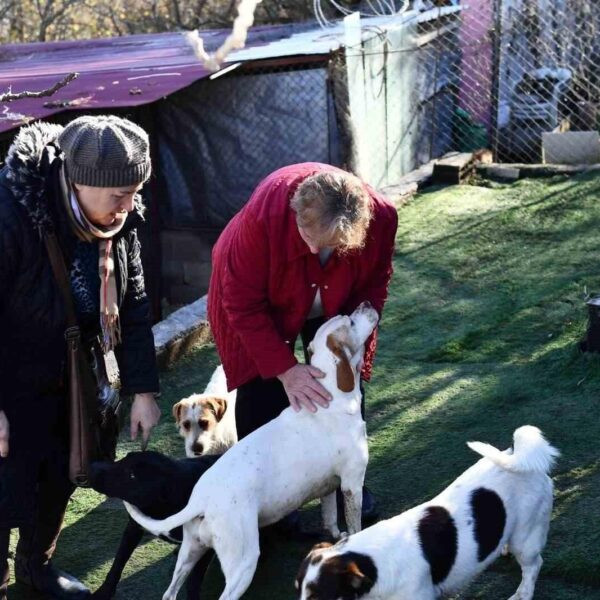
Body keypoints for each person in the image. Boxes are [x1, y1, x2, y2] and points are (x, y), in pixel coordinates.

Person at [0, 116, 161, 599]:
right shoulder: (9, 215)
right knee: (5, 485)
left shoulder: (121, 215)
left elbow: (133, 302)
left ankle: (36, 566)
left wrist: (142, 389)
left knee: (61, 473)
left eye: (135, 192)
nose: (129, 207)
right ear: (78, 180)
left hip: (75, 375)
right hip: (10, 376)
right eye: (119, 195)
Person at [208, 162, 398, 528]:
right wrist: (286, 370)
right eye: (306, 236)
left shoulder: (383, 217)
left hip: (335, 295)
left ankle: (347, 481)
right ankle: (269, 501)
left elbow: (376, 279)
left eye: (325, 245)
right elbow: (242, 304)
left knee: (341, 383)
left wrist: (359, 327)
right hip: (260, 292)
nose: (312, 249)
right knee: (262, 392)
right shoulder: (265, 216)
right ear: (296, 211)